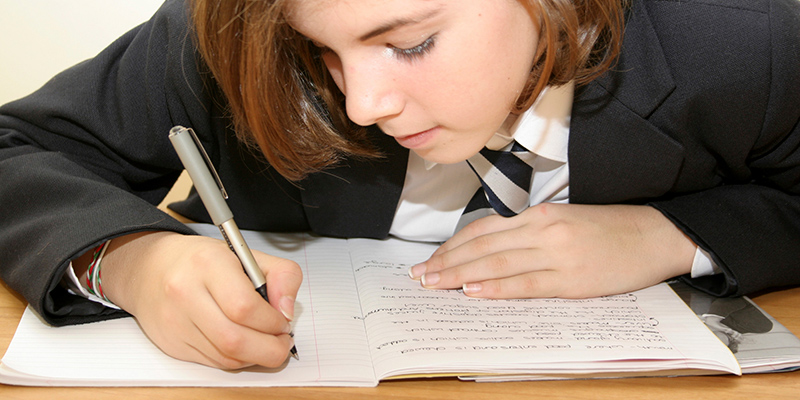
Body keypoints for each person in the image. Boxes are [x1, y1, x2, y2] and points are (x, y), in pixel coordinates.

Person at [1, 0, 798, 371]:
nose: (362, 104)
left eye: (411, 44)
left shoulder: (746, 45)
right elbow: (15, 146)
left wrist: (669, 236)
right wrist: (128, 260)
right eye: (323, 53)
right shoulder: (227, 38)